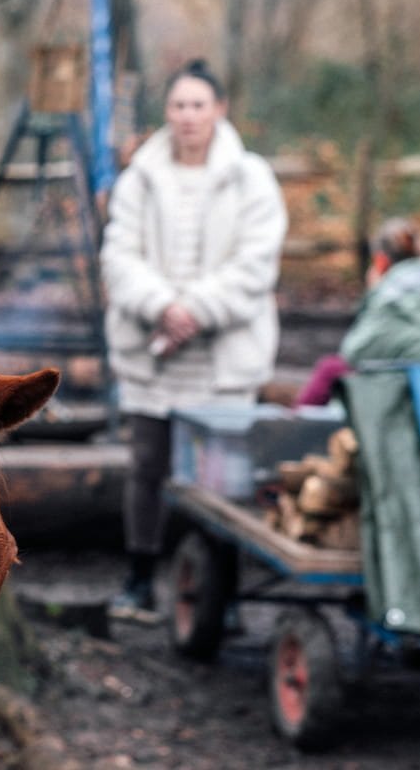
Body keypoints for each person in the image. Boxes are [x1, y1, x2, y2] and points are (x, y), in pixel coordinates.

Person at [100, 59, 287, 621]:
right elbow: (119, 254)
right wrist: (162, 307)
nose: (188, 116)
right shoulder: (138, 178)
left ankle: (221, 595)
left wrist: (196, 311)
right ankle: (139, 580)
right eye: (178, 105)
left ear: (219, 110)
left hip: (222, 356)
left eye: (198, 105)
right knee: (148, 468)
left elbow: (256, 263)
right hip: (153, 353)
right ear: (168, 113)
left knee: (223, 477)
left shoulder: (251, 177)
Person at [296, 217, 420, 406]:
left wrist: (374, 290)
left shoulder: (390, 293)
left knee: (331, 369)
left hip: (410, 398)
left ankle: (294, 429)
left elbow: (353, 354)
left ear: (381, 261)